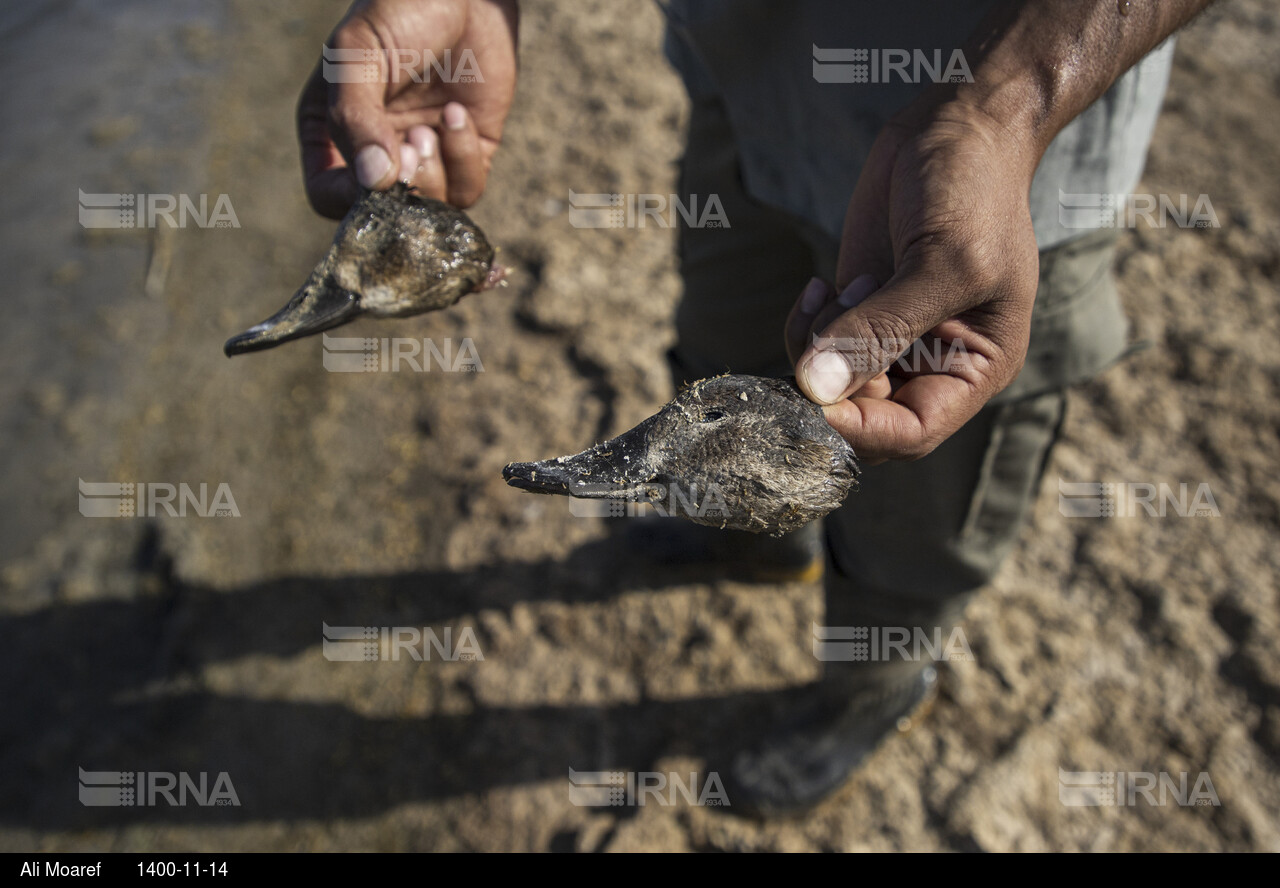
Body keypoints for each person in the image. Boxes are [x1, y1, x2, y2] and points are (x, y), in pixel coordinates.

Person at [298, 0, 1214, 814]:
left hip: (1006, 144)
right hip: (746, 79)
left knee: (918, 507)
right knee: (721, 344)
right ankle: (749, 542)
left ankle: (872, 688)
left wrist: (1002, 104)